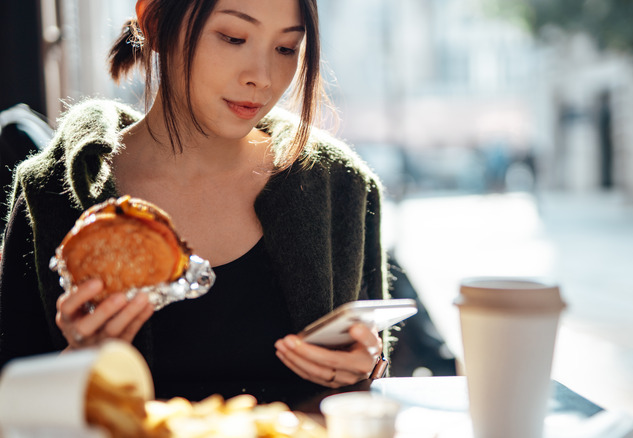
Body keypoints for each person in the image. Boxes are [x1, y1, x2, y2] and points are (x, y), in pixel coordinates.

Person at [0, 0, 388, 405]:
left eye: (286, 48)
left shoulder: (339, 184)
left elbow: (368, 389)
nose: (262, 77)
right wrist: (76, 362)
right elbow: (12, 405)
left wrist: (367, 369)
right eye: (233, 38)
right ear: (155, 22)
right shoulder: (49, 193)